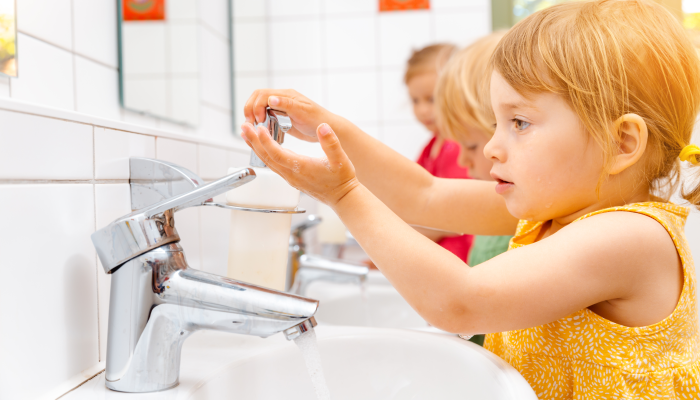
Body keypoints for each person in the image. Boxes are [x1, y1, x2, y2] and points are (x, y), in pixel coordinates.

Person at [240, 0, 700, 396]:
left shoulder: (631, 237)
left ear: (621, 144)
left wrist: (342, 194)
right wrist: (327, 127)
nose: (494, 145)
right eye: (497, 124)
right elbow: (424, 193)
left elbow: (459, 301)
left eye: (519, 123)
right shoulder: (555, 214)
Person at [433, 31, 512, 346]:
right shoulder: (502, 203)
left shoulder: (525, 211)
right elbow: (422, 193)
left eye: (469, 145)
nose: (463, 161)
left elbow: (424, 194)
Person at [405, 43, 473, 262]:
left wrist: (403, 235)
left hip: (461, 260)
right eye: (415, 101)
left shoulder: (459, 146)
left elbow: (457, 218)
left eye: (431, 99)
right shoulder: (431, 146)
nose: (422, 110)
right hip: (441, 261)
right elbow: (412, 194)